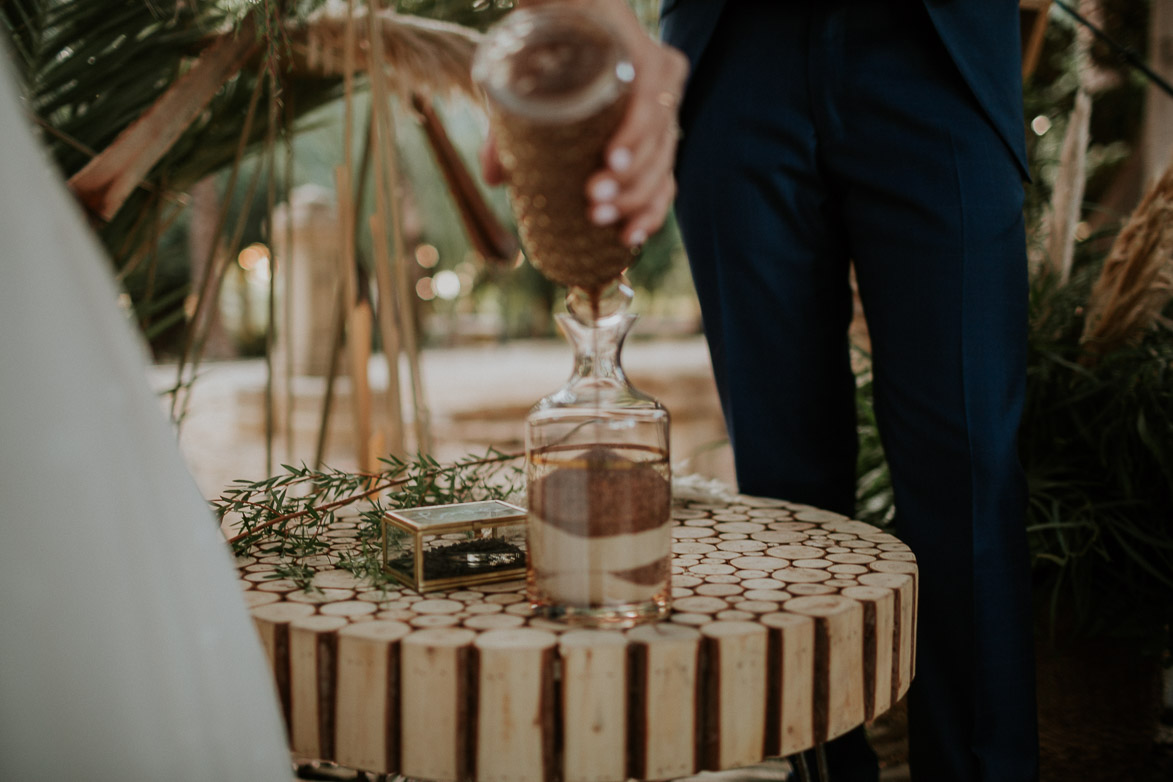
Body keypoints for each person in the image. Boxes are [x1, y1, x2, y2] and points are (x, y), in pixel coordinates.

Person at [486, 1, 1039, 780]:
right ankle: (817, 768)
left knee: (971, 466)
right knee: (785, 480)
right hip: (732, 54)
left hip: (938, 52)